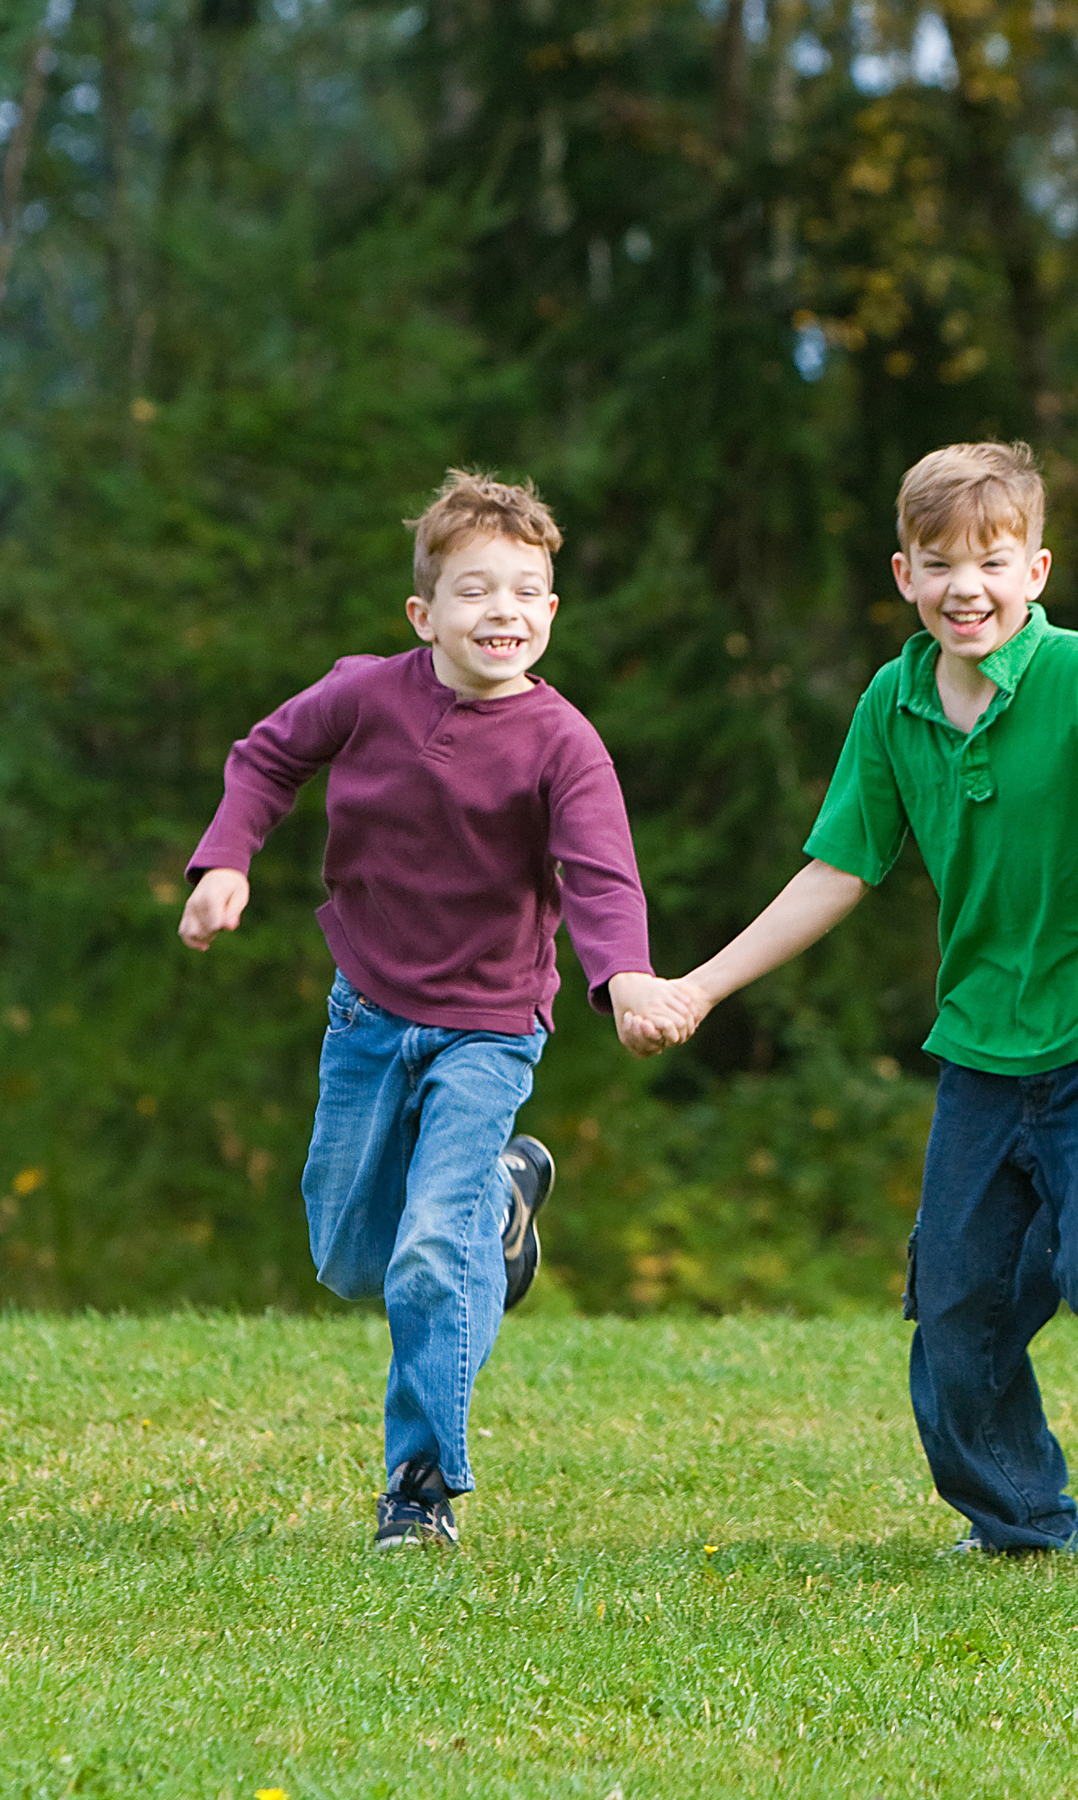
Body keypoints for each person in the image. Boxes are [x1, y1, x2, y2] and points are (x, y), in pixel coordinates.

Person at [646, 441, 1078, 1557]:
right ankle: (1019, 1524)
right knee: (955, 1306)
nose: (967, 586)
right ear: (901, 574)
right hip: (983, 1049)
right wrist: (702, 983)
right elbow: (840, 869)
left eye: (992, 562)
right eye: (938, 562)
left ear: (1037, 570)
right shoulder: (895, 706)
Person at [178, 469, 694, 1551]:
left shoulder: (565, 746)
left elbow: (600, 877)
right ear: (424, 614)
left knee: (426, 1256)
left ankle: (419, 1488)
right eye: (473, 592)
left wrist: (627, 978)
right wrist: (227, 860)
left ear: (551, 612)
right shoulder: (367, 694)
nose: (500, 611)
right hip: (367, 1011)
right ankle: (506, 1202)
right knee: (350, 1256)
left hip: (491, 1029)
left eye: (524, 591)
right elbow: (267, 756)